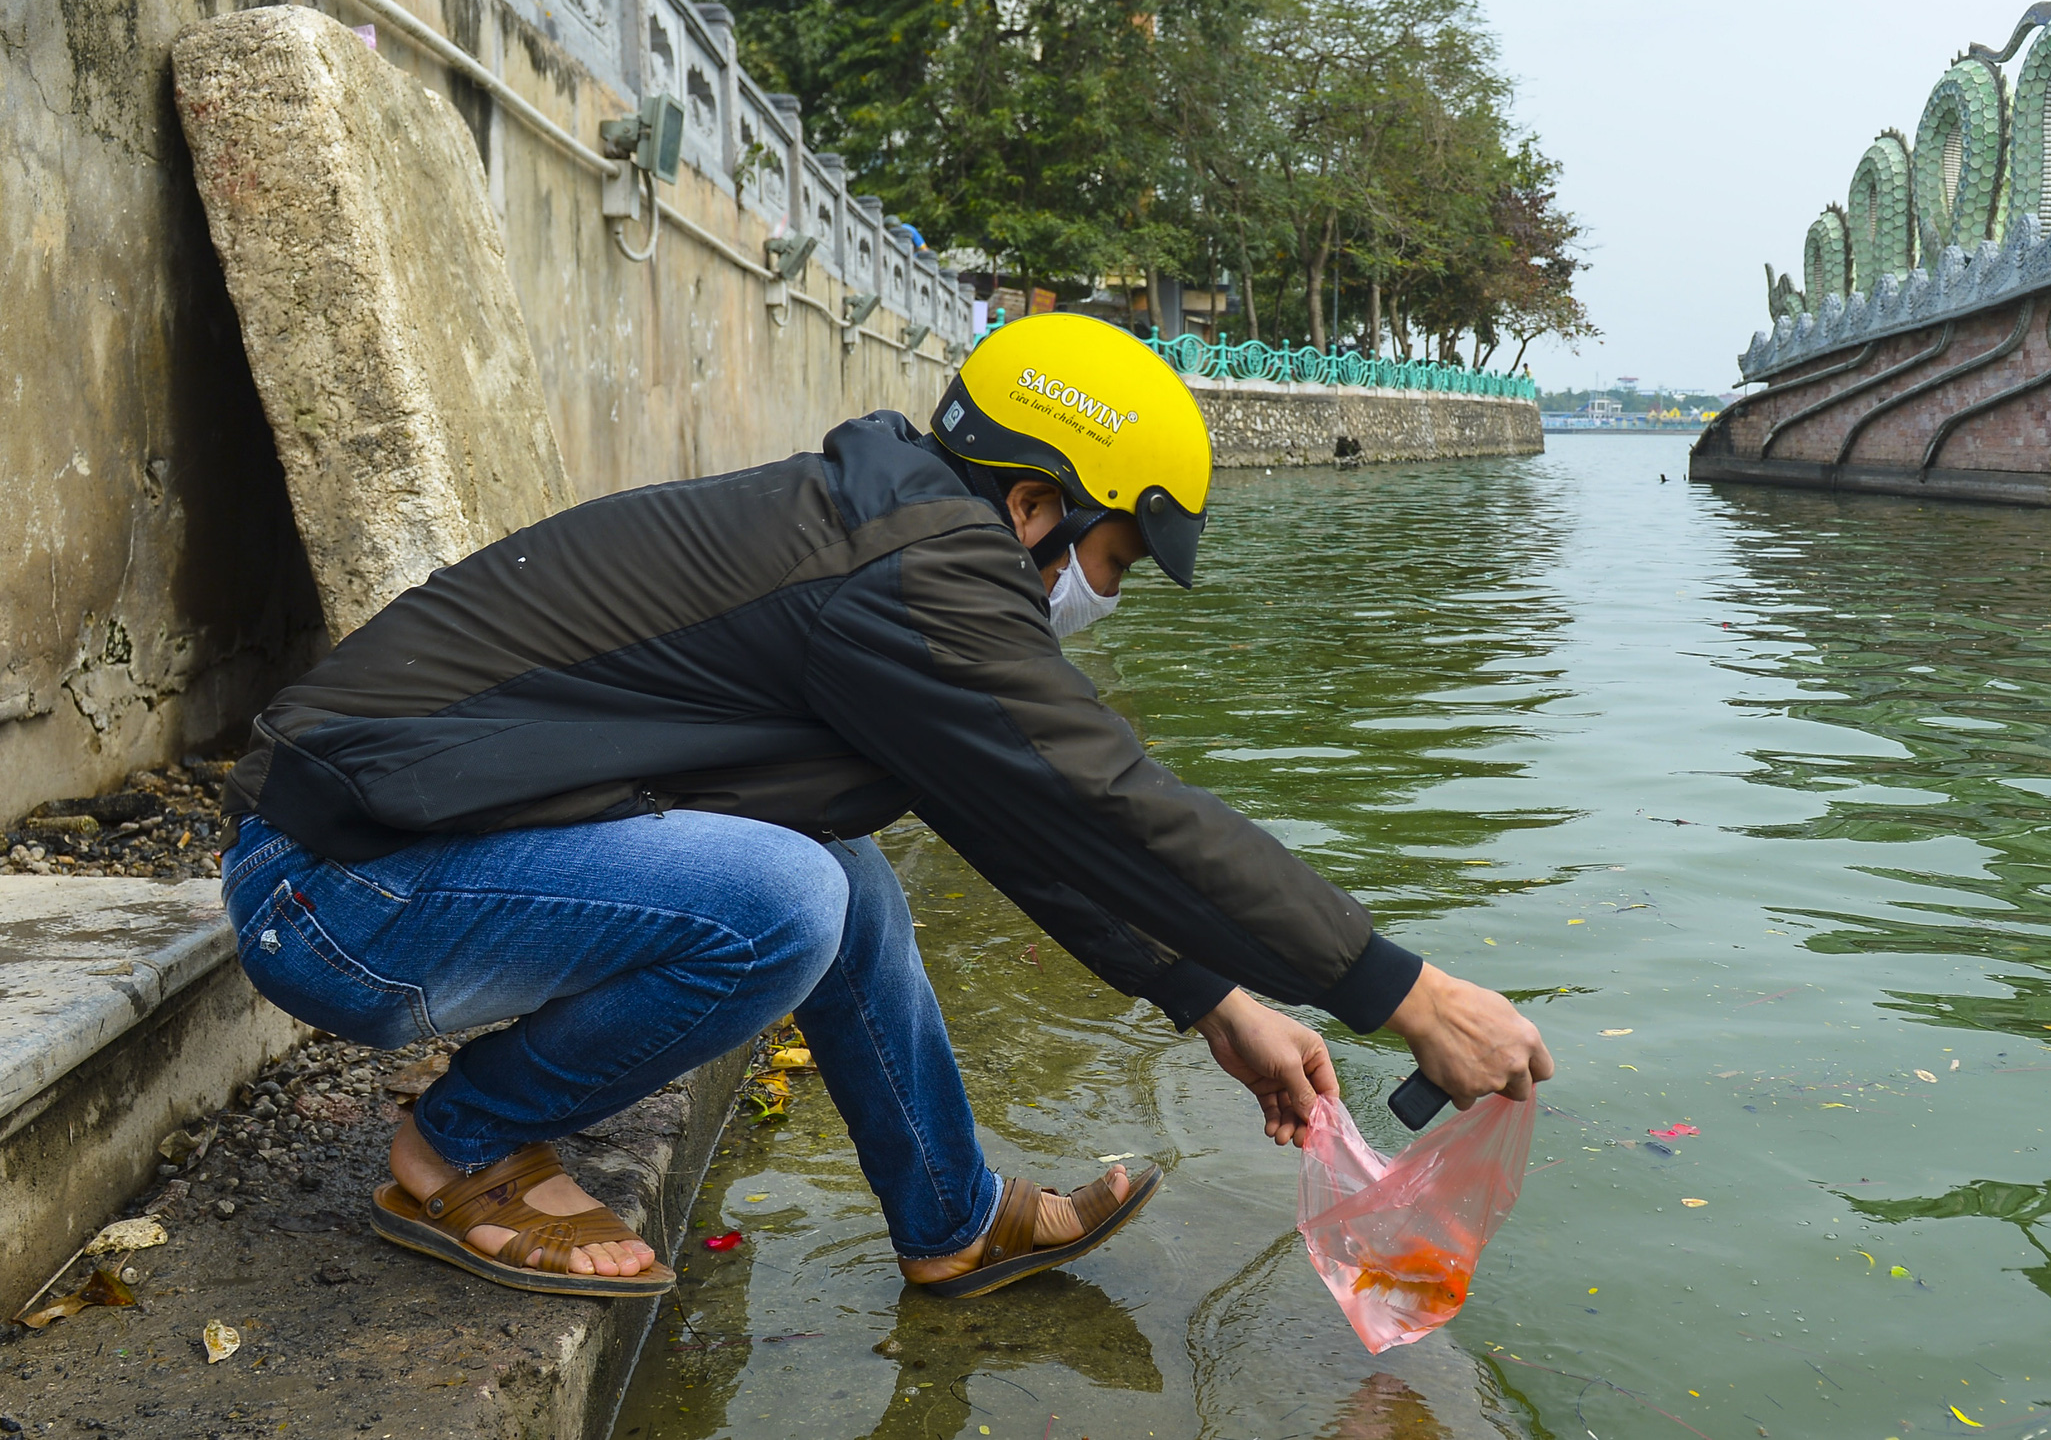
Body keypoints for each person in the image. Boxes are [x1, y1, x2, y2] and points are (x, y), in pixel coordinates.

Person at [220, 314, 1553, 1300]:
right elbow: (1115, 802)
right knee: (788, 896)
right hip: (335, 890)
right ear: (1036, 503)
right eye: (1115, 555)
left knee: (838, 878)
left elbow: (1032, 822)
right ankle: (460, 1146)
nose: (1111, 591)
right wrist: (1405, 993)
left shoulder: (897, 543)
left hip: (378, 863)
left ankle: (951, 1220)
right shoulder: (917, 576)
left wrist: (1216, 996)